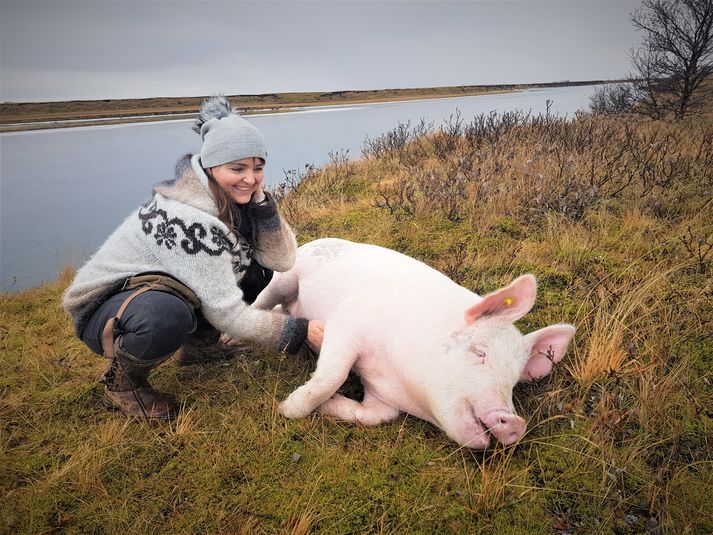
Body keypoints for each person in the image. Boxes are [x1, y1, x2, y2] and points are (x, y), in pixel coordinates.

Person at [62, 96, 324, 419]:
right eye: (237, 168)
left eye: (258, 168)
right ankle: (122, 384)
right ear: (212, 166)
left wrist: (263, 207)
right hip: (103, 306)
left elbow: (281, 260)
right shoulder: (191, 219)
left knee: (256, 268)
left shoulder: (231, 199)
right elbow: (229, 315)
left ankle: (201, 346)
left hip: (156, 287)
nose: (250, 178)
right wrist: (298, 332)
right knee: (166, 315)